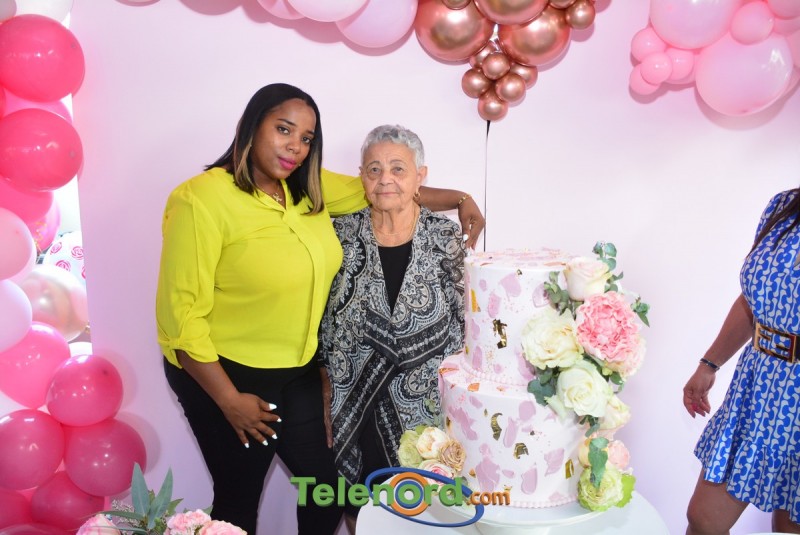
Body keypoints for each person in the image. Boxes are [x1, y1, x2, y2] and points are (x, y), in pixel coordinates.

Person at [156, 84, 484, 535]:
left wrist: (462, 199)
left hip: (296, 372)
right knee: (238, 500)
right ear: (251, 125)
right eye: (283, 129)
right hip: (226, 372)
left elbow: (387, 189)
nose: (295, 146)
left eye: (306, 138)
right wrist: (229, 400)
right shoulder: (201, 199)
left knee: (328, 490)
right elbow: (180, 320)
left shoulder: (304, 186)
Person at [320, 124, 466, 531]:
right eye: (374, 169)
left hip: (426, 404)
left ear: (421, 176)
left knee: (422, 508)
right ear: (361, 177)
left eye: (398, 169)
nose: (385, 179)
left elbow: (463, 319)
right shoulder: (340, 233)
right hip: (355, 398)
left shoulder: (444, 235)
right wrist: (323, 381)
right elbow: (323, 316)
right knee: (360, 503)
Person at [683, 187, 800, 535]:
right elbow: (753, 299)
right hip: (758, 385)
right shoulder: (783, 206)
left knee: (789, 528)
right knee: (704, 521)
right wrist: (709, 364)